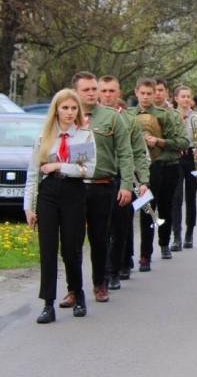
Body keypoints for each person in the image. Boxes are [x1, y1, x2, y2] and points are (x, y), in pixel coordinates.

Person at [23, 89, 97, 324]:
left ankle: (78, 294)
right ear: (56, 109)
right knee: (47, 248)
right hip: (49, 194)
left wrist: (58, 166)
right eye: (65, 108)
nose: (69, 112)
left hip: (73, 192)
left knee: (71, 248)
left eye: (73, 108)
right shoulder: (44, 137)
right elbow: (33, 174)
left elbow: (89, 170)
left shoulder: (84, 135)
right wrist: (29, 207)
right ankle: (47, 304)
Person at [71, 72, 134, 304]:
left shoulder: (111, 117)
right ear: (76, 92)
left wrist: (127, 184)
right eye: (86, 90)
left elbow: (125, 153)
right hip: (73, 186)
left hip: (102, 185)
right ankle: (73, 288)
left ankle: (100, 282)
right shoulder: (68, 116)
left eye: (93, 89)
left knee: (99, 237)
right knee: (72, 240)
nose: (92, 93)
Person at [125, 78, 190, 271]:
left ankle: (164, 242)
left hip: (166, 166)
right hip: (142, 170)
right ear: (136, 92)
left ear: (155, 94)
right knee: (146, 210)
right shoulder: (129, 116)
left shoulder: (167, 115)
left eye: (149, 93)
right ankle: (145, 255)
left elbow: (182, 142)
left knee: (165, 207)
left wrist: (159, 142)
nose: (145, 97)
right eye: (142, 93)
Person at [98, 75, 150, 289]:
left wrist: (143, 180)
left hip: (122, 177)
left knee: (120, 227)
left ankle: (114, 270)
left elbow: (138, 152)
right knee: (101, 230)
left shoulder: (129, 120)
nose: (108, 95)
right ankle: (99, 272)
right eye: (104, 91)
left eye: (112, 91)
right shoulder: (88, 117)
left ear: (118, 93)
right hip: (97, 179)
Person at [171, 85, 197, 250]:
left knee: (191, 196)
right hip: (176, 157)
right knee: (176, 197)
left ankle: (189, 234)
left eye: (188, 96)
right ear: (176, 98)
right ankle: (176, 235)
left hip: (193, 157)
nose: (186, 99)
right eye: (182, 96)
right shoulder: (170, 116)